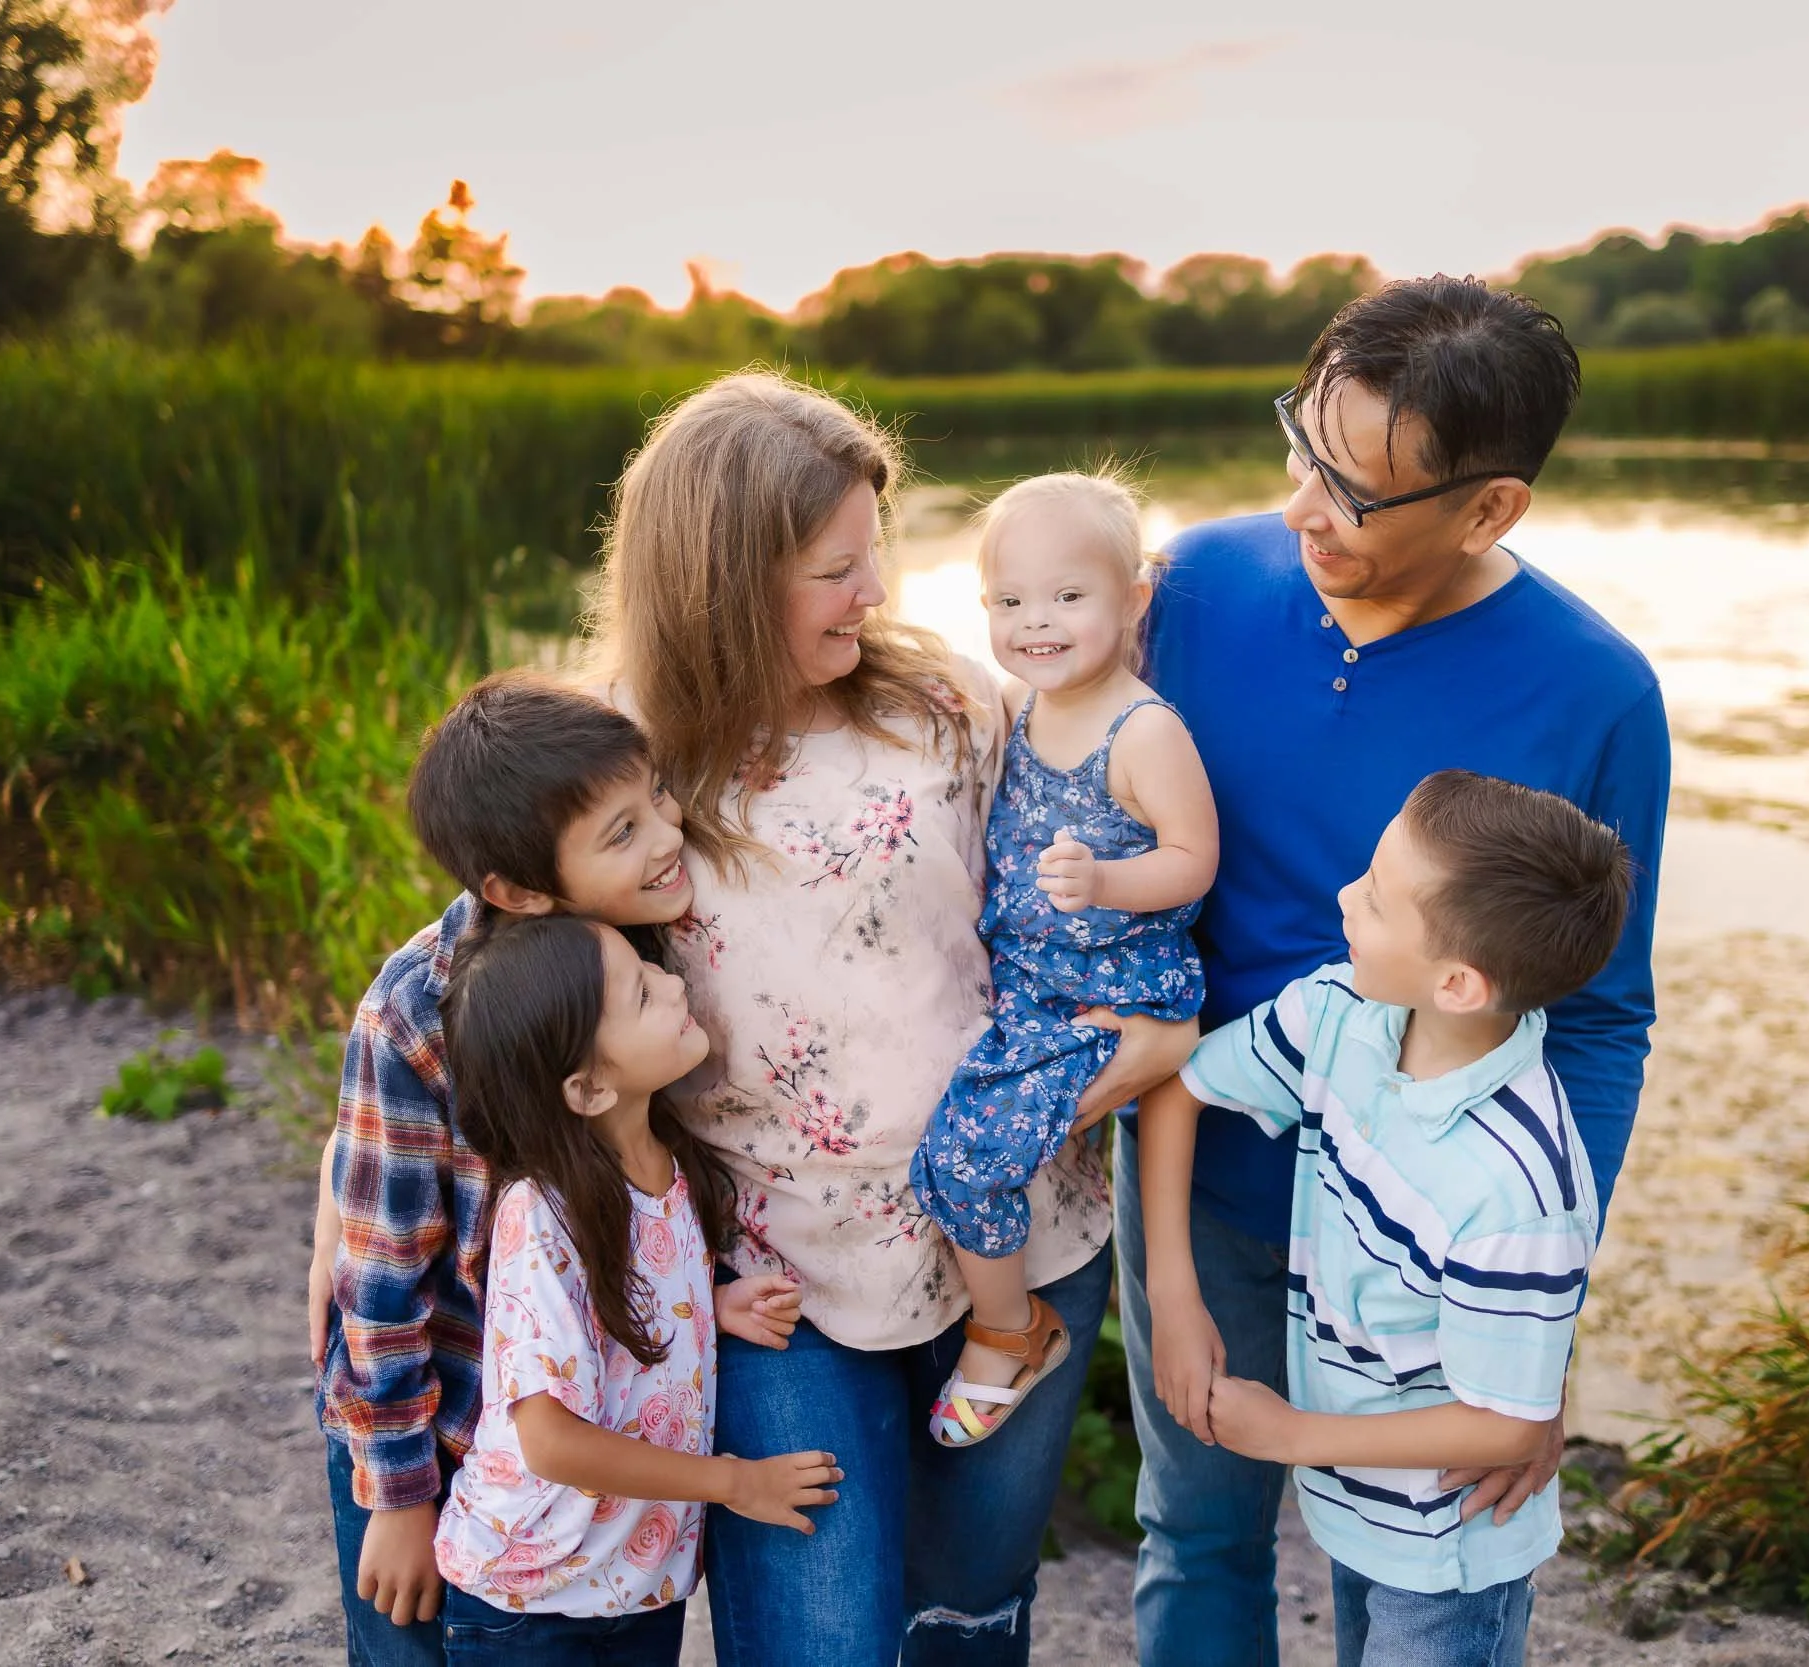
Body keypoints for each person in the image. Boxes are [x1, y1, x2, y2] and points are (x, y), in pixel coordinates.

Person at [592, 371, 1196, 1666]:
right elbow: (545, 1017)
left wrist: (1141, 1046)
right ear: (720, 580)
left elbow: (1088, 885)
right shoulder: (629, 768)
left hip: (1021, 1237)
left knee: (971, 1616)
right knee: (825, 1643)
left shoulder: (951, 706)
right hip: (778, 1275)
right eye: (834, 569)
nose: (873, 596)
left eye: (876, 558)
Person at [1120, 275, 1671, 1665]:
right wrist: (1170, 1275)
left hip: (1430, 1240)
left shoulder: (1595, 693)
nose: (1305, 507)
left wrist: (1531, 1331)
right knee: (1194, 1533)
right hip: (1209, 1180)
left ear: (1489, 509)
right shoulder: (1193, 589)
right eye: (1301, 447)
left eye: (1354, 491)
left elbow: (1601, 1023)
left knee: (1417, 1579)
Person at [1143, 771, 1632, 1667]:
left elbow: (1509, 1429)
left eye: (1373, 895)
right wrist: (1174, 1296)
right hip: (1358, 1506)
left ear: (1456, 982)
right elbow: (1180, 1092)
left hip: (1449, 1550)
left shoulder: (1520, 1189)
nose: (1342, 896)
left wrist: (1293, 1435)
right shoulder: (1345, 1014)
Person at [313, 676, 703, 1666]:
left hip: (576, 1445)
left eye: (656, 796)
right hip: (433, 1417)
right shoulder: (415, 1014)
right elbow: (379, 1275)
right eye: (621, 830)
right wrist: (397, 1495)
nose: (667, 833)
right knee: (403, 1633)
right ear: (520, 891)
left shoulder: (642, 953)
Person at [430, 911, 835, 1664]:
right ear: (586, 1087)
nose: (676, 984)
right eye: (644, 994)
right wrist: (735, 1483)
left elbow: (617, 1315)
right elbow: (549, 1440)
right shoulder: (543, 1215)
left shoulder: (667, 1168)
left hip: (638, 1584)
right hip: (531, 1599)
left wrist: (707, 1309)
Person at [910, 473, 1216, 1449]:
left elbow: (1192, 856)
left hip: (1107, 998)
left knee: (960, 1162)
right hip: (1041, 994)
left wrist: (1111, 883)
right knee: (964, 1149)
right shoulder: (1022, 703)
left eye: (1066, 596)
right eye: (1008, 601)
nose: (1034, 621)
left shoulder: (1144, 727)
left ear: (1132, 600)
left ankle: (1008, 1331)